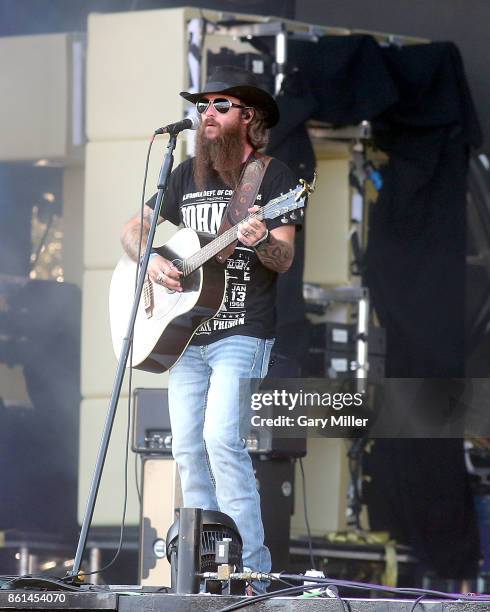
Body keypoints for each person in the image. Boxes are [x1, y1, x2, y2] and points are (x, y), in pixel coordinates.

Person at [120, 66, 302, 584]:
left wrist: (258, 239)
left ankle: (253, 574)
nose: (207, 116)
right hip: (185, 336)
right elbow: (133, 229)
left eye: (219, 106)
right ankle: (203, 571)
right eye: (203, 107)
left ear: (250, 117)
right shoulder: (184, 174)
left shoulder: (274, 177)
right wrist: (150, 259)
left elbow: (283, 257)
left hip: (242, 330)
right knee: (187, 450)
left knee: (222, 441)